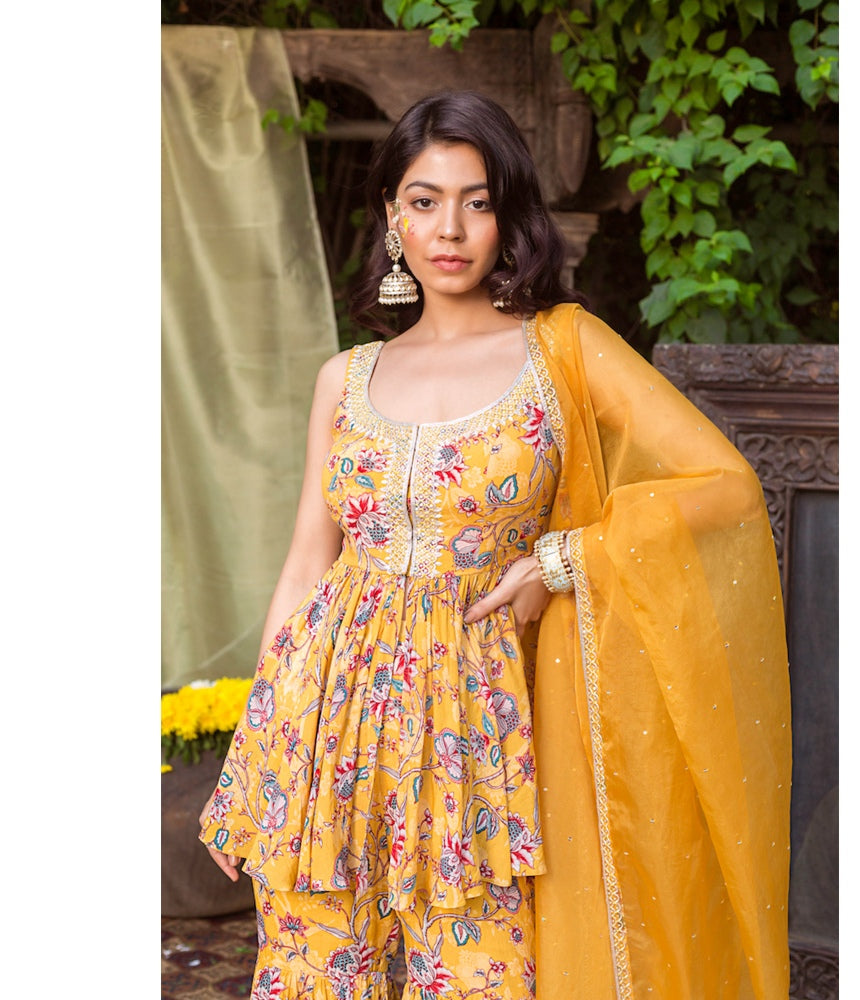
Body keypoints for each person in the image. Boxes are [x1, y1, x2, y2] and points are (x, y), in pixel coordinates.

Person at [198, 90, 792, 1000]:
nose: (450, 228)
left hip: (477, 732)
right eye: (425, 200)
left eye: (477, 202)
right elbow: (306, 568)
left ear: (509, 216)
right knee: (315, 974)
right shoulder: (344, 378)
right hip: (324, 727)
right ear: (392, 215)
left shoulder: (562, 350)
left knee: (478, 975)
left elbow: (723, 485)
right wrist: (255, 755)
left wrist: (562, 562)